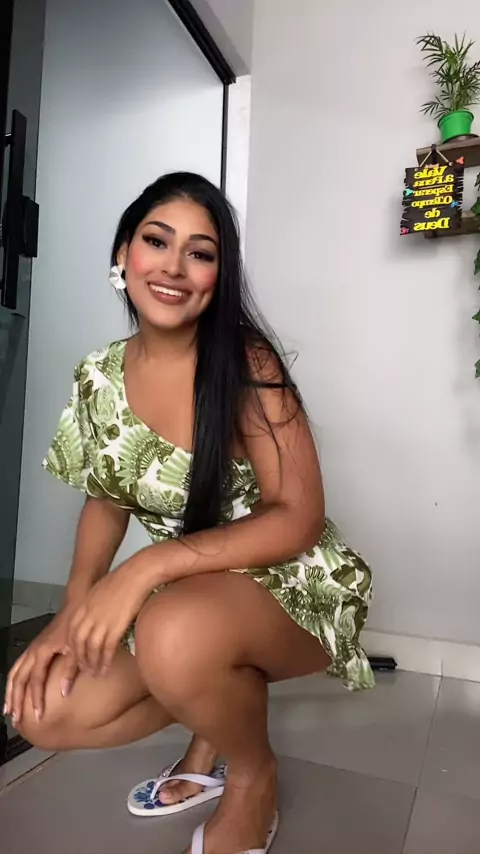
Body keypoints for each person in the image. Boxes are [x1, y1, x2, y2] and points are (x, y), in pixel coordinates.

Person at [4, 172, 374, 854]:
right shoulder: (98, 375)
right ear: (123, 254)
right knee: (43, 710)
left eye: (200, 253)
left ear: (218, 276)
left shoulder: (247, 363)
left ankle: (252, 777)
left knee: (172, 630)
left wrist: (145, 568)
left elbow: (298, 515)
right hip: (189, 592)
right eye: (156, 241)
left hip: (296, 583)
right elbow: (106, 498)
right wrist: (71, 612)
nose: (174, 267)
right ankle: (215, 709)